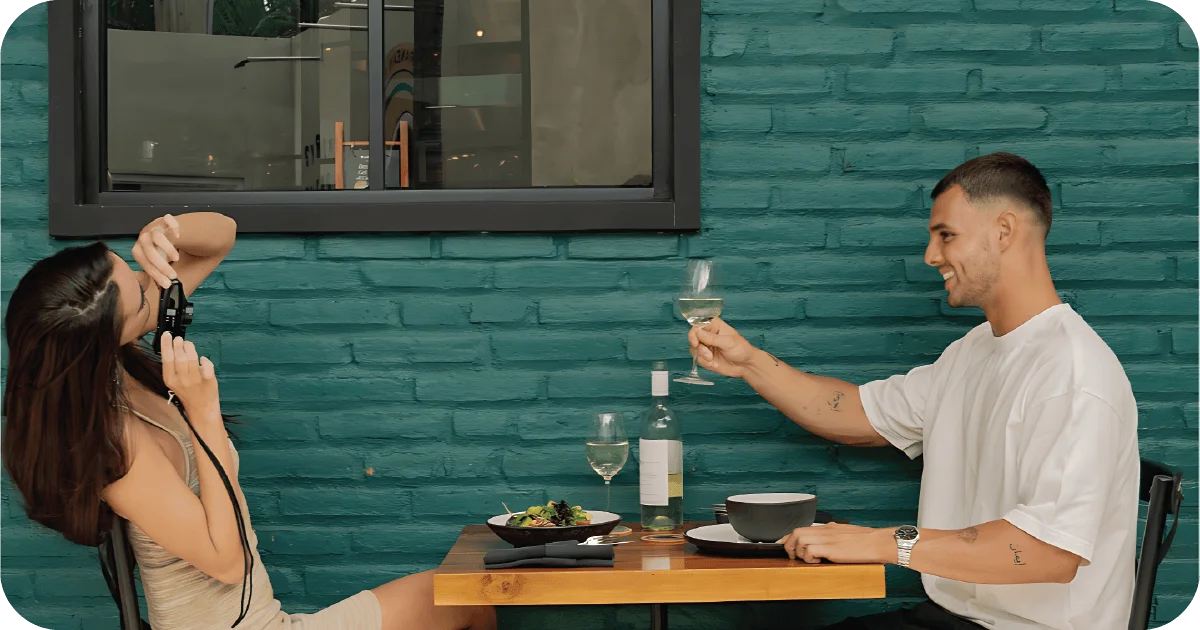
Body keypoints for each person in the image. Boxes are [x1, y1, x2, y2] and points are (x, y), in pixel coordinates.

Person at [687, 153, 1140, 630]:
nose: (931, 256)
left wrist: (882, 543)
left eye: (946, 235)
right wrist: (750, 362)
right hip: (954, 618)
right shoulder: (975, 351)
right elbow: (852, 413)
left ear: (1004, 231)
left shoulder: (1073, 374)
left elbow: (1047, 552)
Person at [2, 212, 496, 630]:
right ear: (107, 338)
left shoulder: (114, 365)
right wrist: (203, 413)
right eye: (138, 298)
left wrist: (167, 229)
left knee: (467, 594)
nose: (149, 289)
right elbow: (225, 561)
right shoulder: (115, 446)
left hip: (264, 619)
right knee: (468, 597)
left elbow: (220, 238)